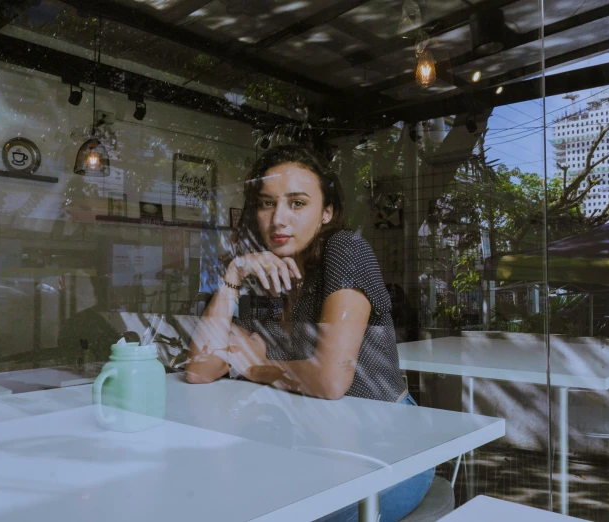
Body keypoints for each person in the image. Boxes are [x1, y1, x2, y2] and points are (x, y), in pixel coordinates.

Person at [185, 145, 434, 522]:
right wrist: (232, 276)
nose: (278, 219)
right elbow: (200, 368)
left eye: (297, 203)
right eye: (267, 204)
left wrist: (254, 367)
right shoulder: (265, 275)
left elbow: (331, 379)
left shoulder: (345, 249)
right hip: (316, 444)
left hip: (388, 448)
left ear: (327, 212)